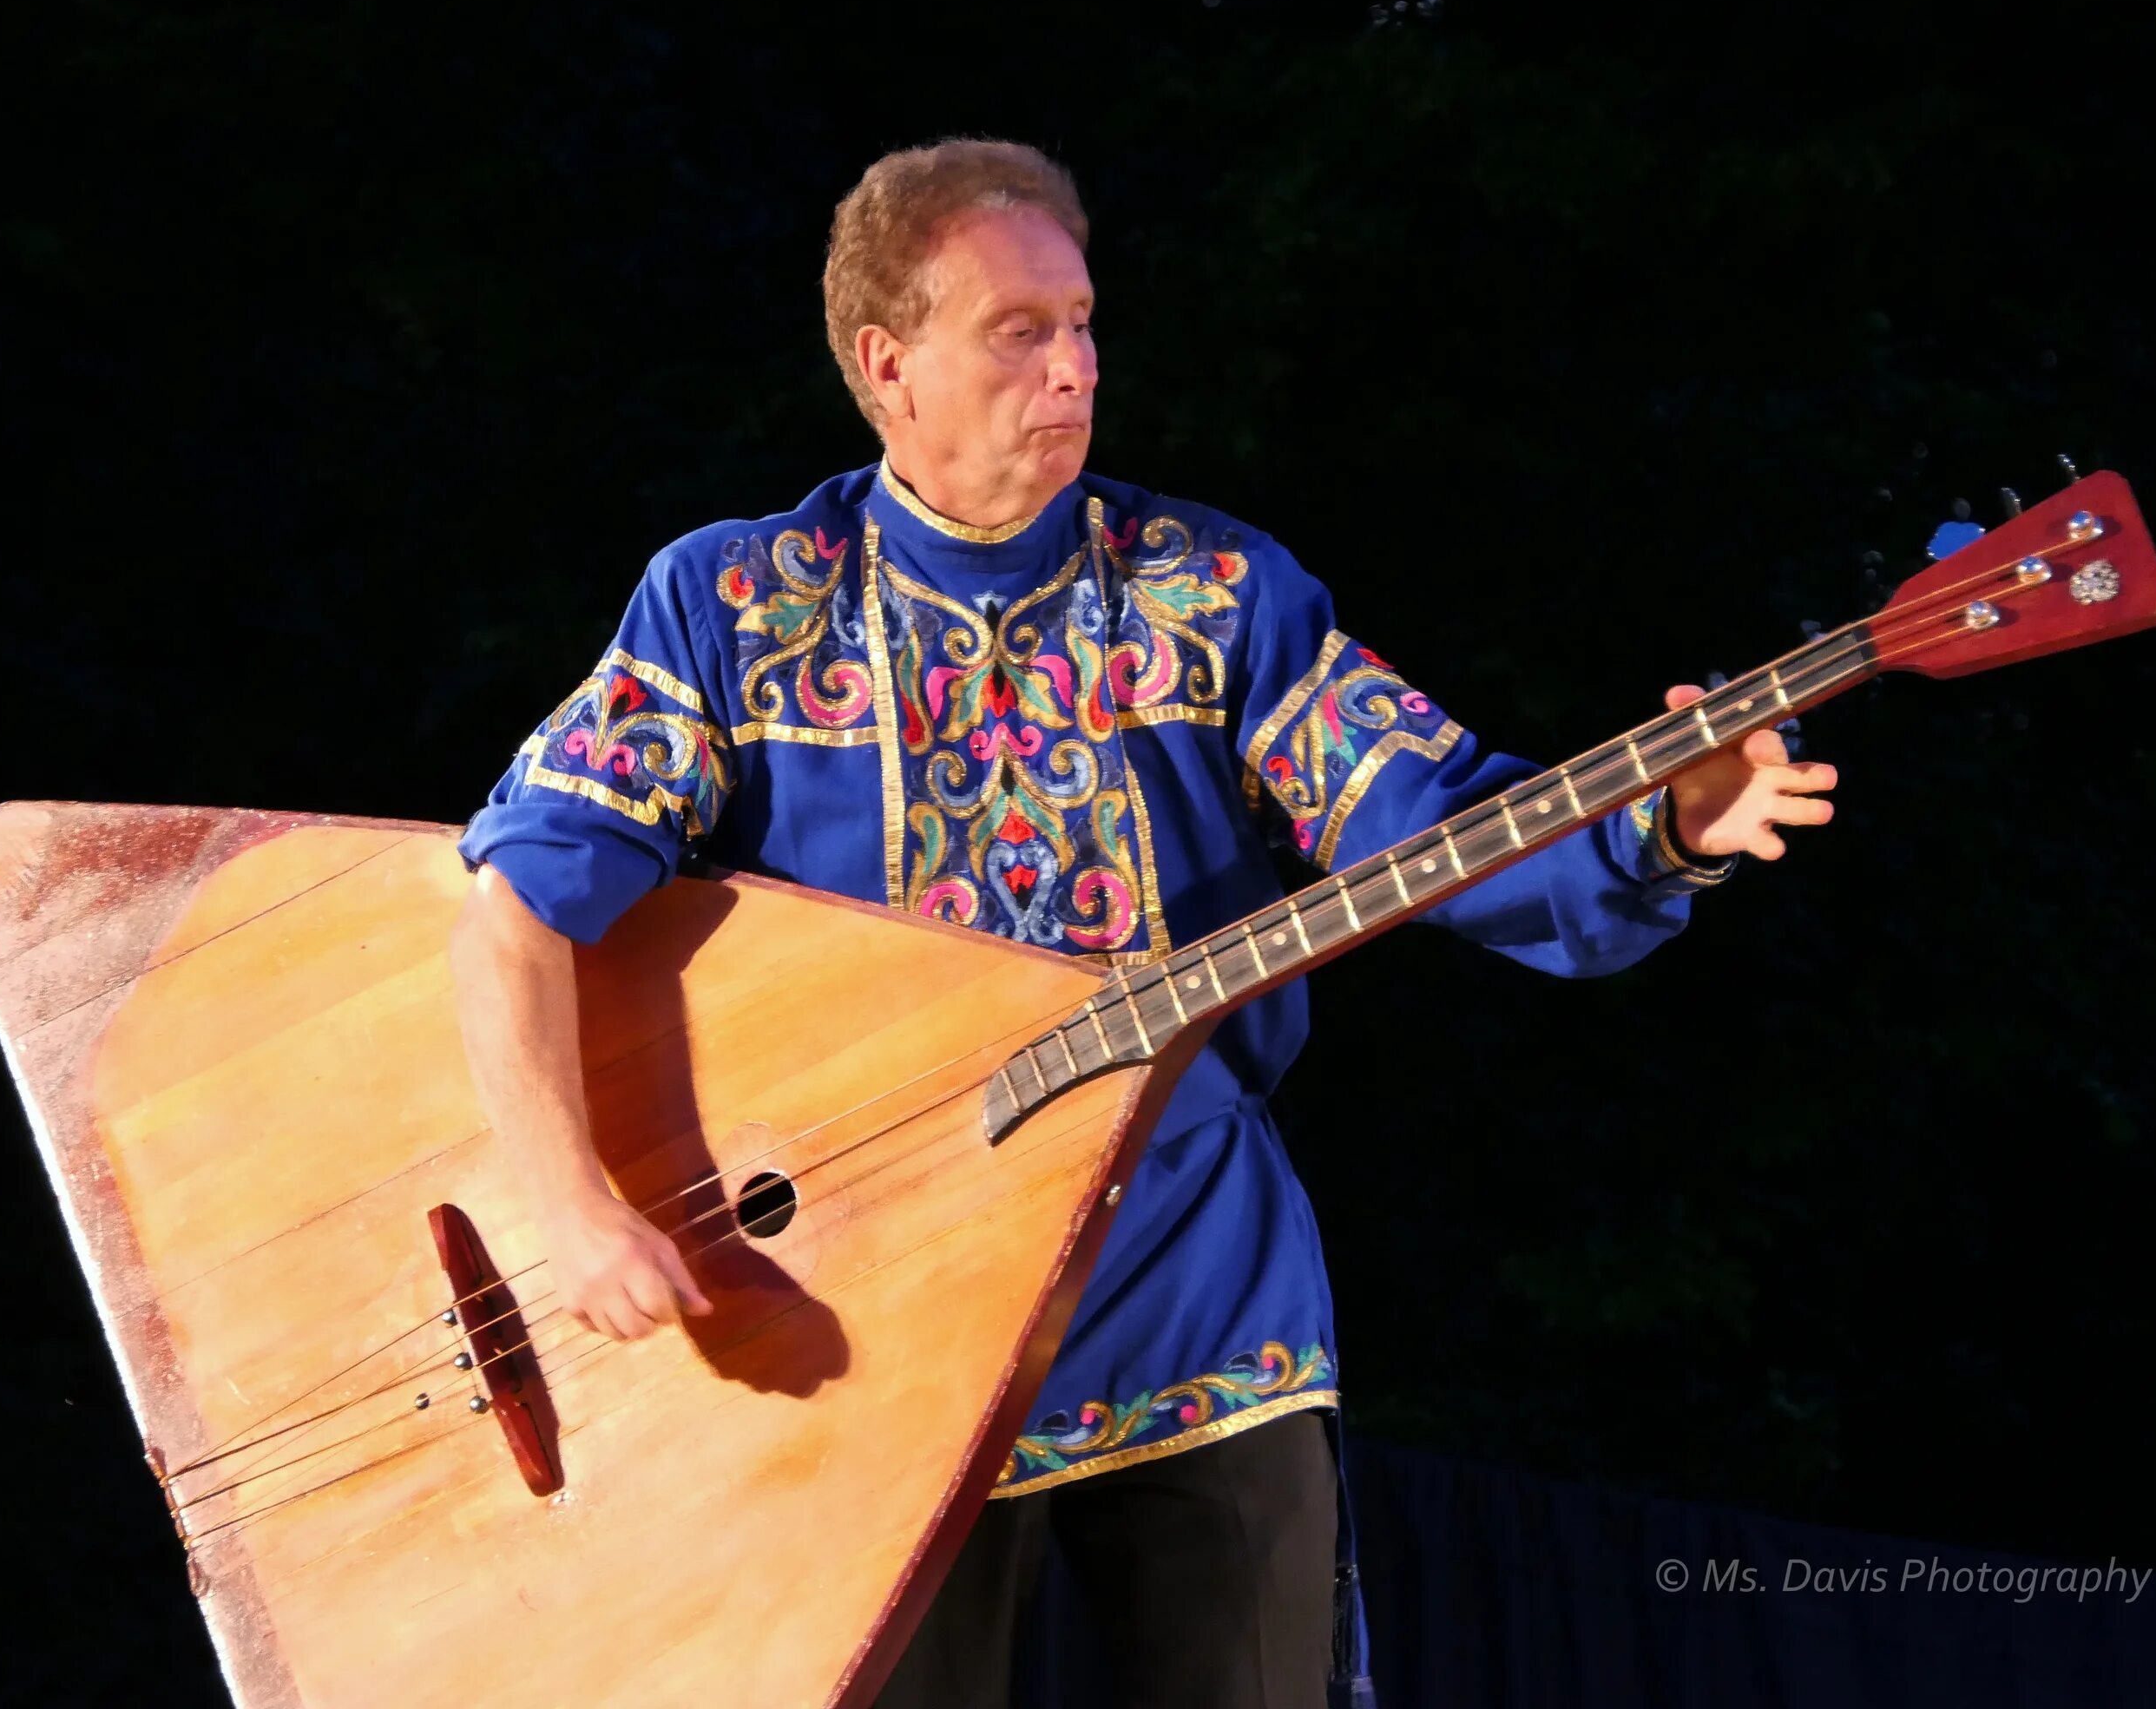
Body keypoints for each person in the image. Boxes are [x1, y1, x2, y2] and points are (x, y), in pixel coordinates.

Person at [448, 138, 1839, 1709]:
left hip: (1192, 1301)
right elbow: (514, 912)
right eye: (1020, 331)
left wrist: (1661, 825)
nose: (1075, 368)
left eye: (1085, 322)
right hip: (867, 1339)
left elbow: (1437, 826)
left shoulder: (1212, 592)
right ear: (885, 363)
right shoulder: (737, 605)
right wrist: (571, 1209)